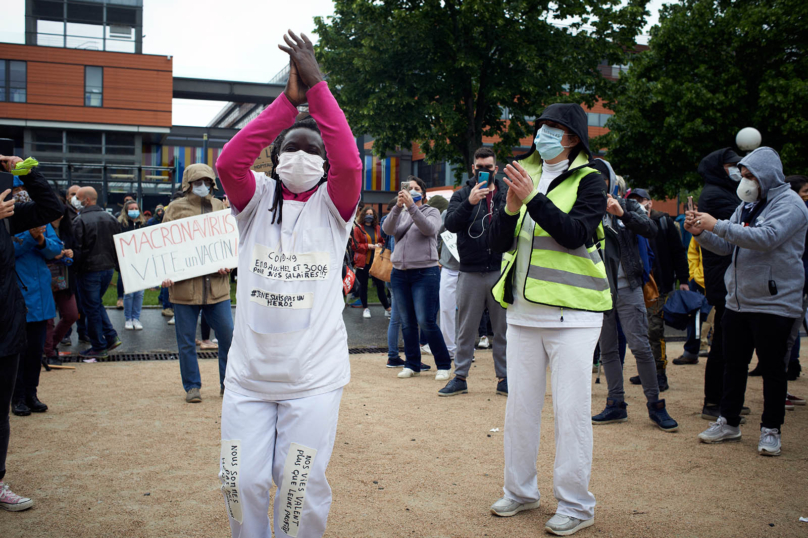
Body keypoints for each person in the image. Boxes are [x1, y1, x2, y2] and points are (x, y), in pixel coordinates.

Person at [213, 30, 361, 538]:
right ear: (275, 158)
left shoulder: (337, 207)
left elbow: (349, 160)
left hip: (312, 379)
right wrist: (286, 105)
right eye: (291, 149)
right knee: (239, 479)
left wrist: (318, 88)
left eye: (312, 150)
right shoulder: (254, 200)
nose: (302, 157)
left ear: (324, 166)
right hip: (250, 379)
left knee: (297, 485)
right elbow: (229, 162)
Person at [488, 104, 611, 536]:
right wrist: (507, 208)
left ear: (573, 138)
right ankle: (520, 492)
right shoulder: (523, 173)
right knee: (519, 410)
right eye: (539, 127)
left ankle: (577, 505)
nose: (541, 134)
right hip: (523, 314)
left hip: (574, 316)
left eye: (552, 128)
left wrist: (532, 199)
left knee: (571, 412)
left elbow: (575, 233)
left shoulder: (591, 179)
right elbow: (497, 245)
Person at [690, 147, 808, 457]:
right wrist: (701, 232)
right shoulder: (747, 204)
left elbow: (766, 237)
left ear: (767, 175)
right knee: (733, 364)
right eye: (742, 175)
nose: (745, 181)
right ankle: (728, 421)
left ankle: (771, 428)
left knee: (772, 369)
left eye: (750, 176)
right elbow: (728, 246)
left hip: (775, 302)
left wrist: (717, 224)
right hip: (739, 300)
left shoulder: (792, 204)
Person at [589, 160, 678, 432]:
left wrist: (621, 214)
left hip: (628, 287)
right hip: (599, 290)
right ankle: (616, 403)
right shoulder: (586, 209)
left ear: (611, 181)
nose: (598, 184)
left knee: (640, 345)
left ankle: (655, 404)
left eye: (602, 179)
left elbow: (650, 229)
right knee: (608, 350)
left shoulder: (627, 206)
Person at [0, 153, 63, 511]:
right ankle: (20, 398)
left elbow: (50, 216)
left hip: (21, 310)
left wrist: (26, 171)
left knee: (31, 352)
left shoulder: (17, 215)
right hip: (16, 301)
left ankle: (30, 394)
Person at [160, 164, 233, 403]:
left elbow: (229, 242)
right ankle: (192, 386)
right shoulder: (175, 208)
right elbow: (163, 244)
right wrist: (165, 271)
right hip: (184, 289)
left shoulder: (220, 207)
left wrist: (229, 264)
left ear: (212, 184)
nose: (202, 186)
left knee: (228, 337)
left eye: (207, 182)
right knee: (186, 341)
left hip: (217, 287)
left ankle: (227, 384)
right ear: (188, 184)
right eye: (197, 182)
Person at [440, 146, 508, 396]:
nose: (484, 172)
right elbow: (450, 224)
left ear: (496, 169)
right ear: (473, 168)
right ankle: (460, 376)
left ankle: (504, 378)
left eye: (488, 168)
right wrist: (470, 203)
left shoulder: (504, 193)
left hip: (499, 269)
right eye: (479, 168)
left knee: (502, 329)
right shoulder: (462, 194)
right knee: (466, 328)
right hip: (469, 271)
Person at [382, 176, 452, 380]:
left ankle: (443, 364)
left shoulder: (432, 211)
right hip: (399, 272)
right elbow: (387, 230)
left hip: (425, 272)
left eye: (415, 188)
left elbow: (430, 229)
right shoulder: (400, 212)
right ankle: (412, 363)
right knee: (407, 321)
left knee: (426, 320)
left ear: (423, 192)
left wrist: (412, 207)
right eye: (407, 188)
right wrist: (397, 207)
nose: (411, 191)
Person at [693, 148, 744, 420]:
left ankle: (727, 397)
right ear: (718, 167)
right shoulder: (715, 194)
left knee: (731, 343)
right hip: (722, 276)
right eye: (732, 165)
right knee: (723, 344)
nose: (737, 169)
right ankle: (714, 401)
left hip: (726, 274)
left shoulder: (727, 191)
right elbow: (741, 228)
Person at [626, 188, 689, 390]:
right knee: (640, 329)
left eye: (642, 200)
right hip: (637, 284)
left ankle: (659, 373)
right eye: (634, 201)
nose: (639, 204)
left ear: (650, 202)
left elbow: (678, 251)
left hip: (658, 283)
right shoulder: (629, 221)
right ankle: (646, 371)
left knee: (655, 329)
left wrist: (683, 279)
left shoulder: (664, 222)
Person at [12, 217, 63, 416]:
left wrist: (41, 239)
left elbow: (55, 249)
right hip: (17, 294)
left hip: (40, 295)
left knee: (35, 351)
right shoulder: (7, 220)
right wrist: (31, 236)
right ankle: (17, 397)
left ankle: (31, 395)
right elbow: (9, 249)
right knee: (17, 353)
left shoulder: (41, 220)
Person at [72, 186, 122, 359]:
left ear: (86, 200)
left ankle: (99, 345)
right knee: (95, 304)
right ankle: (110, 337)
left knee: (91, 308)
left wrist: (74, 267)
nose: (75, 201)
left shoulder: (79, 221)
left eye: (77, 198)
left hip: (88, 270)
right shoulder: (110, 218)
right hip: (107, 269)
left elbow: (77, 249)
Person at [43, 206, 81, 365]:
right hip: (45, 279)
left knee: (72, 314)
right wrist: (53, 254)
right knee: (48, 320)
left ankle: (50, 345)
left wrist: (72, 253)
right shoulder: (41, 227)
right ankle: (49, 352)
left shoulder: (68, 229)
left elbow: (79, 252)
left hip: (65, 279)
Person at [782, 175, 808, 382]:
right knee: (789, 332)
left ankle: (791, 363)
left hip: (800, 280)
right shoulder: (793, 214)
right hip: (796, 281)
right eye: (805, 191)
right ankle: (790, 364)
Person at [351, 206, 390, 318]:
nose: (369, 216)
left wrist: (380, 245)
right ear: (363, 215)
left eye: (371, 214)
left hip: (377, 260)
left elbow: (383, 240)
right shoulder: (358, 229)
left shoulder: (378, 228)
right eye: (367, 214)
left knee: (380, 285)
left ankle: (387, 308)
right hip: (363, 261)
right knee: (363, 286)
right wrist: (368, 246)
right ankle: (365, 308)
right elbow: (355, 245)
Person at [117, 200, 146, 330]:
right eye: (131, 208)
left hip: (141, 262)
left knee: (140, 293)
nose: (134, 210)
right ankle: (128, 319)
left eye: (136, 208)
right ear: (126, 210)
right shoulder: (120, 225)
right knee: (129, 293)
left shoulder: (143, 225)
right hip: (127, 262)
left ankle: (136, 318)